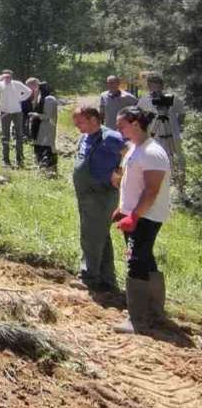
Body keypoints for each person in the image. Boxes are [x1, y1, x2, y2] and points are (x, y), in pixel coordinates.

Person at [112, 106, 172, 334]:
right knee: (145, 258)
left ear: (136, 123)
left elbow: (151, 191)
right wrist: (122, 208)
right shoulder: (135, 148)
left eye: (121, 125)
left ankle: (137, 320)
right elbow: (131, 183)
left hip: (146, 216)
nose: (119, 129)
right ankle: (155, 311)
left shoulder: (152, 153)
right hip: (135, 214)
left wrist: (134, 216)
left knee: (135, 260)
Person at [71, 106, 124, 293]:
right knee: (100, 236)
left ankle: (89, 277)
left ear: (94, 119)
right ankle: (107, 279)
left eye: (80, 122)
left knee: (91, 237)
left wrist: (119, 172)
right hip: (86, 195)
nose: (77, 126)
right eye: (75, 123)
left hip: (101, 195)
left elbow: (129, 151)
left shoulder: (110, 137)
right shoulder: (85, 136)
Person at [136, 73, 186, 191]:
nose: (155, 86)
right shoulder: (144, 100)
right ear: (148, 85)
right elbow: (139, 115)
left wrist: (177, 125)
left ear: (162, 85)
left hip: (172, 134)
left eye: (157, 83)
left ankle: (180, 185)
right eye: (152, 84)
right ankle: (159, 186)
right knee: (155, 159)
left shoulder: (172, 98)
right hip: (154, 135)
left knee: (177, 158)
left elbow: (182, 112)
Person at [0, 70, 32, 167]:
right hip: (5, 113)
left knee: (19, 135)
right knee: (5, 136)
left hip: (17, 112)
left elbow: (29, 91)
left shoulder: (17, 84)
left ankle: (19, 159)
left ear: (12, 77)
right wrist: (0, 77)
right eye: (6, 76)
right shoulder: (0, 84)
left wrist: (20, 98)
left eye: (9, 76)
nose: (7, 78)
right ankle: (5, 160)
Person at [26, 78, 58, 170]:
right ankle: (41, 166)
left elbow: (47, 116)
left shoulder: (49, 99)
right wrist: (36, 97)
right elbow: (34, 107)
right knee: (39, 147)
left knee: (47, 148)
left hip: (47, 128)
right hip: (39, 128)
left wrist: (35, 115)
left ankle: (49, 168)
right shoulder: (41, 98)